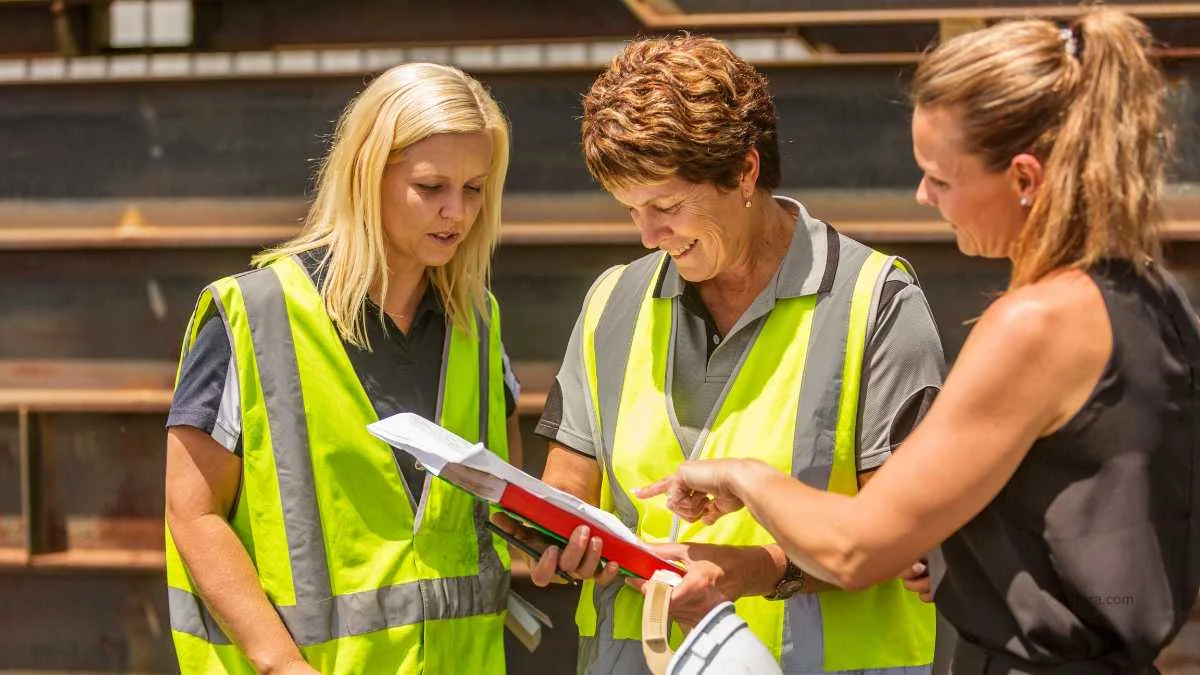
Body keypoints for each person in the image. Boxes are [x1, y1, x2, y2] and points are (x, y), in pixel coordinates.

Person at [643, 9, 1200, 674]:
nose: (923, 196)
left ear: (1025, 179)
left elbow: (854, 548)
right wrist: (972, 561)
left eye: (940, 177)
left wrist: (742, 473)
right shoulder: (1156, 299)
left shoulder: (1036, 323)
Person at [497, 35, 944, 674]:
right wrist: (556, 540)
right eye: (631, 210)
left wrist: (751, 572)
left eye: (667, 206)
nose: (649, 236)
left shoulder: (875, 302)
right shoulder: (612, 302)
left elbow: (902, 539)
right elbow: (569, 489)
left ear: (744, 172)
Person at [163, 62, 523, 675]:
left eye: (474, 188)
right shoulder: (255, 314)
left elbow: (503, 511)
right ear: (366, 175)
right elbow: (191, 512)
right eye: (431, 187)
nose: (456, 213)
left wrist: (548, 544)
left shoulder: (478, 324)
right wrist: (281, 664)